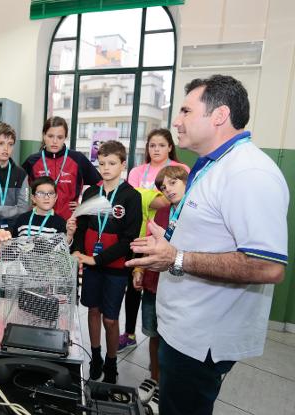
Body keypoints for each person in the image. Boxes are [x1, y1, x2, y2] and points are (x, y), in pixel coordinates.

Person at [126, 75, 288, 415]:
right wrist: (166, 244)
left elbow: (268, 266)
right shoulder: (209, 166)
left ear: (219, 115)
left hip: (203, 339)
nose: (177, 121)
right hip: (182, 326)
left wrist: (177, 257)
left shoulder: (249, 173)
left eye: (186, 110)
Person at [71, 140, 141, 384]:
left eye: (112, 163)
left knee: (110, 318)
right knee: (92, 310)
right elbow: (81, 227)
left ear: (123, 164)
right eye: (101, 163)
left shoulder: (131, 196)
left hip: (114, 267)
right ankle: (96, 356)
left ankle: (112, 362)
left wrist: (96, 258)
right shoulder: (91, 192)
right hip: (91, 265)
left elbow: (128, 239)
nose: (106, 168)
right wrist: (78, 250)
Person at [119, 129, 190, 352]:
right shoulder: (138, 170)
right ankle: (130, 333)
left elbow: (164, 204)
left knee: (164, 290)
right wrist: (150, 200)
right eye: (152, 145)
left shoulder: (182, 170)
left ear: (170, 146)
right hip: (138, 236)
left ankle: (169, 340)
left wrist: (147, 198)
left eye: (161, 145)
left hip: (169, 238)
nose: (156, 149)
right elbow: (132, 200)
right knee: (135, 286)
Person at [132, 165, 189, 412]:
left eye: (174, 183)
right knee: (154, 335)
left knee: (171, 341)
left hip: (181, 287)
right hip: (155, 284)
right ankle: (154, 378)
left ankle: (166, 386)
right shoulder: (163, 213)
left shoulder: (194, 214)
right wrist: (140, 270)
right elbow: (150, 244)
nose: (169, 189)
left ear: (187, 183)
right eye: (164, 187)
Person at [22, 116, 101, 220]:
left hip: (69, 222)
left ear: (65, 137)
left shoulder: (77, 159)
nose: (54, 141)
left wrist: (84, 206)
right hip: (39, 221)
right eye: (50, 136)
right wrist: (29, 203)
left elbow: (100, 184)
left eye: (59, 137)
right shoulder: (32, 161)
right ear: (44, 135)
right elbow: (21, 189)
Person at [11, 176, 76, 244]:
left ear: (56, 197)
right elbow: (13, 245)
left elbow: (62, 250)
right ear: (33, 198)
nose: (46, 197)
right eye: (41, 193)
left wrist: (69, 235)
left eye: (50, 193)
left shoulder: (60, 223)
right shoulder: (22, 219)